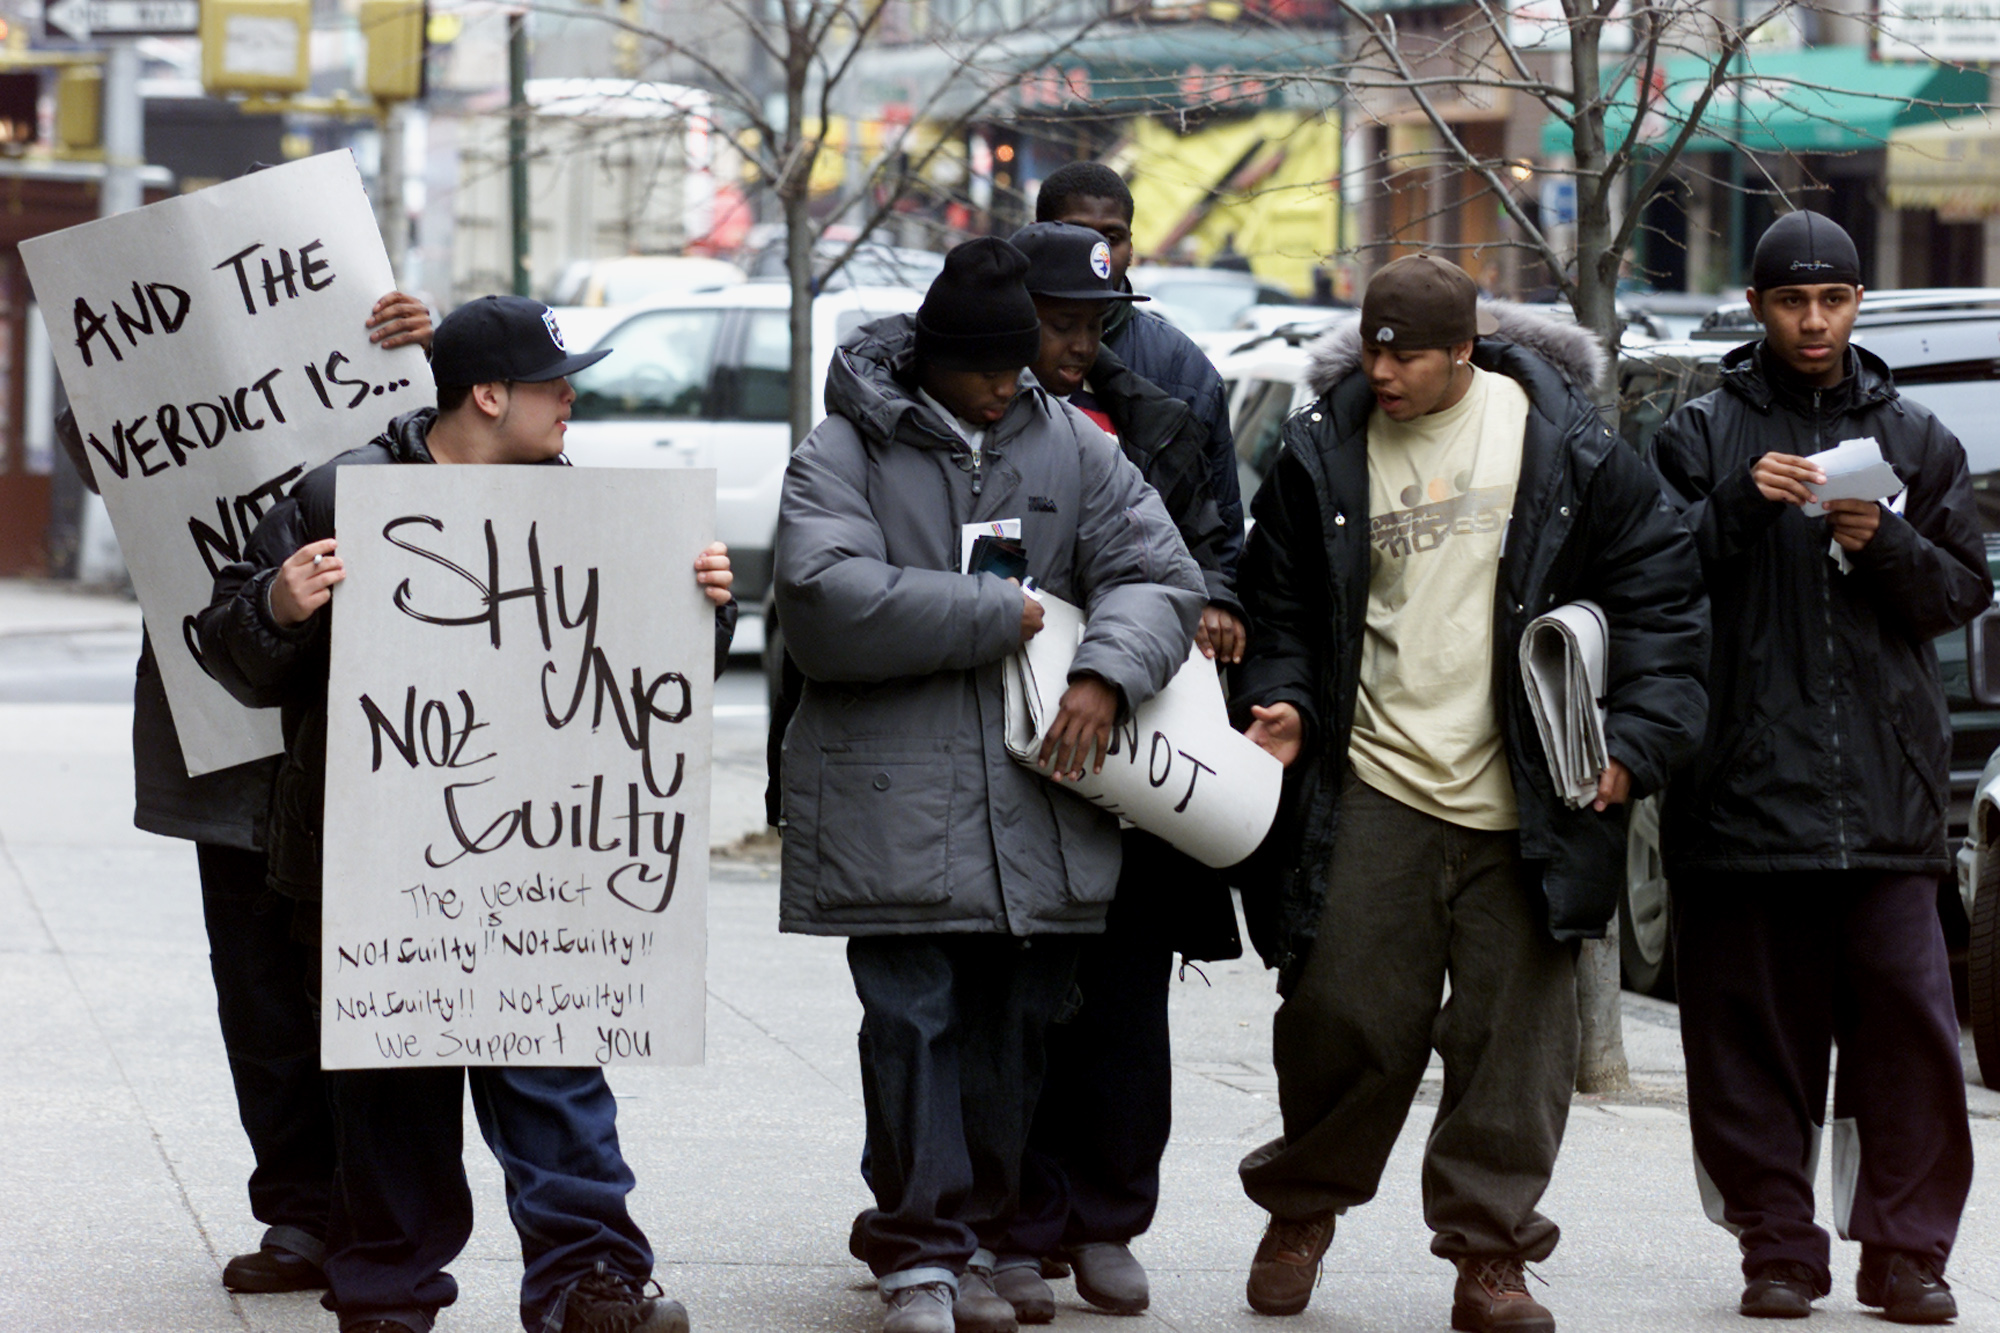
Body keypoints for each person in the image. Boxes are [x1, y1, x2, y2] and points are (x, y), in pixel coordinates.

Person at [197, 294, 737, 1333]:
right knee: (389, 1097)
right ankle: (388, 1292)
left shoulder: (587, 510)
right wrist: (275, 606)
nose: (572, 398)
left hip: (543, 865)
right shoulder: (339, 497)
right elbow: (228, 650)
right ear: (488, 393)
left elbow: (648, 688)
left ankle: (592, 1283)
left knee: (558, 1076)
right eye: (554, 381)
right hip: (380, 866)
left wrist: (701, 609)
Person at [1230, 255, 1707, 1330]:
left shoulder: (1570, 452)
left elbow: (1662, 605)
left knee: (1512, 1043)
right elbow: (1281, 610)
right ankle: (1303, 1205)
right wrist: (1284, 700)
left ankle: (1489, 1255)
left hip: (1530, 793)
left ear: (1464, 353)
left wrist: (1631, 744)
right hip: (1375, 779)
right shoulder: (1322, 453)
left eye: (1406, 353)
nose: (1382, 370)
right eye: (1370, 346)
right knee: (1340, 1012)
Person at [772, 237, 1205, 1333]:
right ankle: (920, 1247)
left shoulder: (1073, 445)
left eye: (1022, 365)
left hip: (1037, 797)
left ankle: (988, 1235)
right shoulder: (843, 449)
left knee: (1016, 1028)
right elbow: (821, 600)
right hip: (893, 799)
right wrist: (989, 613)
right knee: (911, 1023)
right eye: (992, 370)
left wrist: (1108, 669)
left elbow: (1157, 575)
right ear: (936, 362)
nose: (1015, 384)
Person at [53, 291, 430, 1297]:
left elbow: (479, 458)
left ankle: (370, 1213)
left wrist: (424, 356)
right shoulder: (148, 374)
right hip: (225, 727)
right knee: (260, 993)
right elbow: (108, 461)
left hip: (367, 733)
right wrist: (114, 374)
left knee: (360, 985)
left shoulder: (399, 364)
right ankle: (303, 1213)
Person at [1651, 210, 1987, 1324]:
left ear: (1855, 304)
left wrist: (1878, 539)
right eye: (1790, 301)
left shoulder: (1917, 435)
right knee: (1746, 1042)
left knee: (1907, 1039)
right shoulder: (1696, 432)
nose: (1811, 320)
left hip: (1885, 801)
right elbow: (1650, 581)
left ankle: (1903, 1253)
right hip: (1740, 795)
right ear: (1754, 307)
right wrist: (1741, 506)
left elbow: (1956, 594)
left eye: (1830, 299)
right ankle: (1775, 1248)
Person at [979, 220, 1241, 1320]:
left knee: (1126, 1009)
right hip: (1002, 762)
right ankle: (1019, 1222)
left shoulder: (1159, 416)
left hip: (1134, 752)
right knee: (1016, 1007)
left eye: (1094, 324)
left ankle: (1107, 1221)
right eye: (1058, 324)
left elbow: (1199, 551)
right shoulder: (965, 424)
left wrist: (1212, 607)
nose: (1079, 344)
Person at [1033, 161, 1244, 603]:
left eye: (1111, 237)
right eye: (1077, 234)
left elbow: (1219, 527)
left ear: (1131, 245)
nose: (1096, 251)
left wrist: (1218, 602)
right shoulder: (991, 352)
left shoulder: (1182, 369)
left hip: (1146, 622)